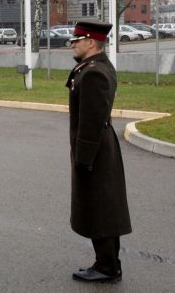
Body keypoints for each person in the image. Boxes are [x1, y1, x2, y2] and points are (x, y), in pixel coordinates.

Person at [67, 21, 131, 283]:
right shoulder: (95, 66)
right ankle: (107, 263)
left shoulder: (94, 73)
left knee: (100, 207)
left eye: (77, 40)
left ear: (91, 42)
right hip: (98, 147)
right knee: (101, 205)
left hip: (95, 150)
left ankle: (107, 267)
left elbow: (92, 121)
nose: (72, 44)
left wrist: (84, 158)